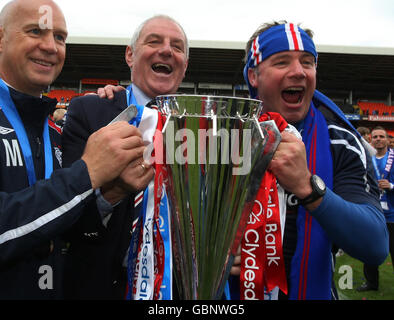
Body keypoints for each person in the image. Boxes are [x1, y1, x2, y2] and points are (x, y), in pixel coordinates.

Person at [0, 0, 147, 299]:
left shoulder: (53, 132)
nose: (51, 46)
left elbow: (68, 230)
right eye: (35, 31)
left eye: (60, 37)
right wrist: (87, 172)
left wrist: (111, 193)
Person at [235, 21, 388, 300]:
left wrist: (308, 187)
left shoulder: (341, 142)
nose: (298, 72)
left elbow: (375, 245)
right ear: (253, 76)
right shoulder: (224, 135)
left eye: (308, 62)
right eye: (282, 62)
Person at [61, 15, 188, 299]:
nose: (167, 50)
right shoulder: (90, 112)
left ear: (185, 65)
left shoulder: (202, 128)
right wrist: (112, 193)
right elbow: (65, 218)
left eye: (177, 47)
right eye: (154, 42)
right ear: (130, 55)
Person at [357, 126, 394, 291]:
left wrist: (391, 185)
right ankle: (371, 283)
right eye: (375, 137)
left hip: (392, 214)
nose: (378, 139)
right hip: (373, 212)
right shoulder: (365, 158)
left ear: (387, 139)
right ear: (370, 140)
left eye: (381, 136)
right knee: (369, 249)